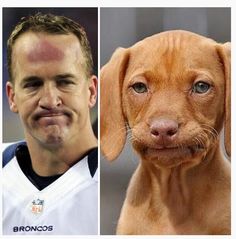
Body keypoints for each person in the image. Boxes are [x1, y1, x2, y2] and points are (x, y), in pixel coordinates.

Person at [2, 13, 98, 235]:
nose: (49, 100)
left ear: (91, 92)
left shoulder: (119, 189)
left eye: (64, 82)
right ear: (12, 97)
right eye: (32, 84)